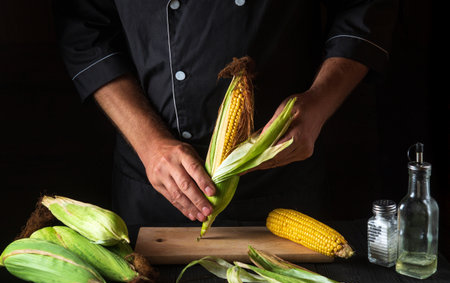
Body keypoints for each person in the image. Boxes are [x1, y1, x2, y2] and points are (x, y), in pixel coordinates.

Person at [52, 1, 398, 235]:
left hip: (280, 175)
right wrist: (149, 142)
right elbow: (84, 29)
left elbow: (366, 7)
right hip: (153, 184)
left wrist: (319, 103)